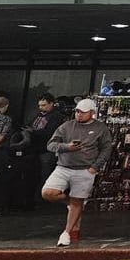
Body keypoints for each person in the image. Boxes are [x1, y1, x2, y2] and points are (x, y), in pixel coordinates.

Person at [42, 99, 112, 247]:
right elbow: (50, 144)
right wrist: (66, 147)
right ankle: (71, 203)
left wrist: (95, 167)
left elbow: (106, 148)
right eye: (77, 111)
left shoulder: (101, 128)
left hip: (85, 169)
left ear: (92, 113)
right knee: (48, 192)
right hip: (63, 166)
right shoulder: (67, 126)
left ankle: (67, 232)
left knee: (77, 200)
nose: (79, 114)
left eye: (83, 112)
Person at [28, 93, 66, 192]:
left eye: (44, 105)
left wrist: (33, 132)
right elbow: (30, 124)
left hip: (47, 150)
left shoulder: (57, 116)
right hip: (35, 149)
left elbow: (51, 132)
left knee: (45, 173)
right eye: (40, 105)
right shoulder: (39, 115)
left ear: (51, 104)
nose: (41, 108)